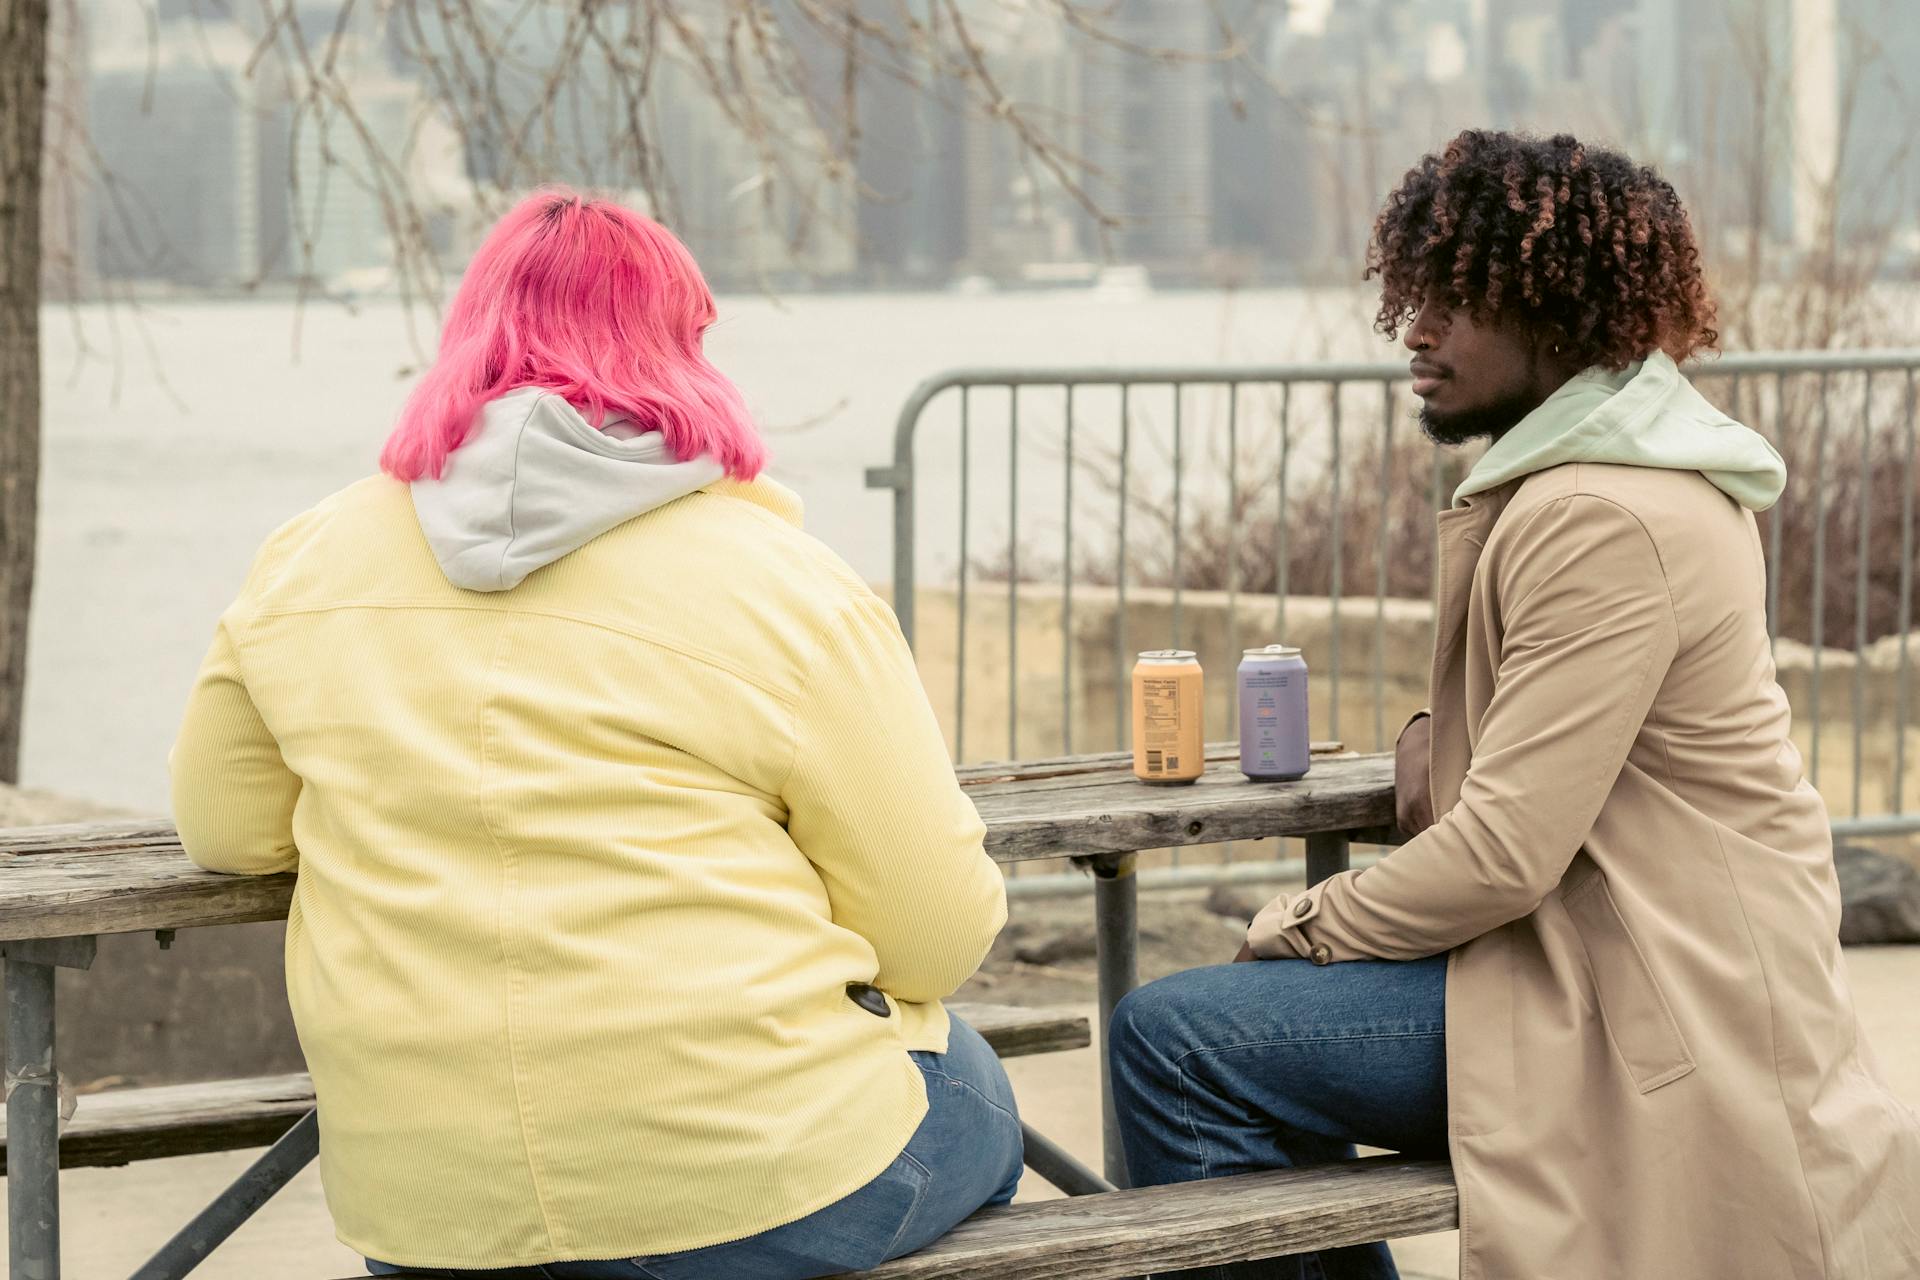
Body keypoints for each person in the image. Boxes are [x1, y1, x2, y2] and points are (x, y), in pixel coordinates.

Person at [1108, 130, 1920, 1279]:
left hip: (1643, 996)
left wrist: (1294, 926)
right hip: (1626, 957)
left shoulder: (1600, 515)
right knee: (1224, 1040)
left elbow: (1504, 854)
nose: (1416, 331)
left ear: (1560, 313)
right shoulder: (1625, 478)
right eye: (1412, 294)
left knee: (1174, 1038)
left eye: (1457, 300)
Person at [170, 189, 1020, 1280]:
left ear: (466, 338)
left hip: (433, 1210)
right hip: (752, 1187)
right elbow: (938, 935)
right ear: (681, 348)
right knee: (975, 1088)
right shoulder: (787, 586)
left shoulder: (307, 559)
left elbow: (225, 827)